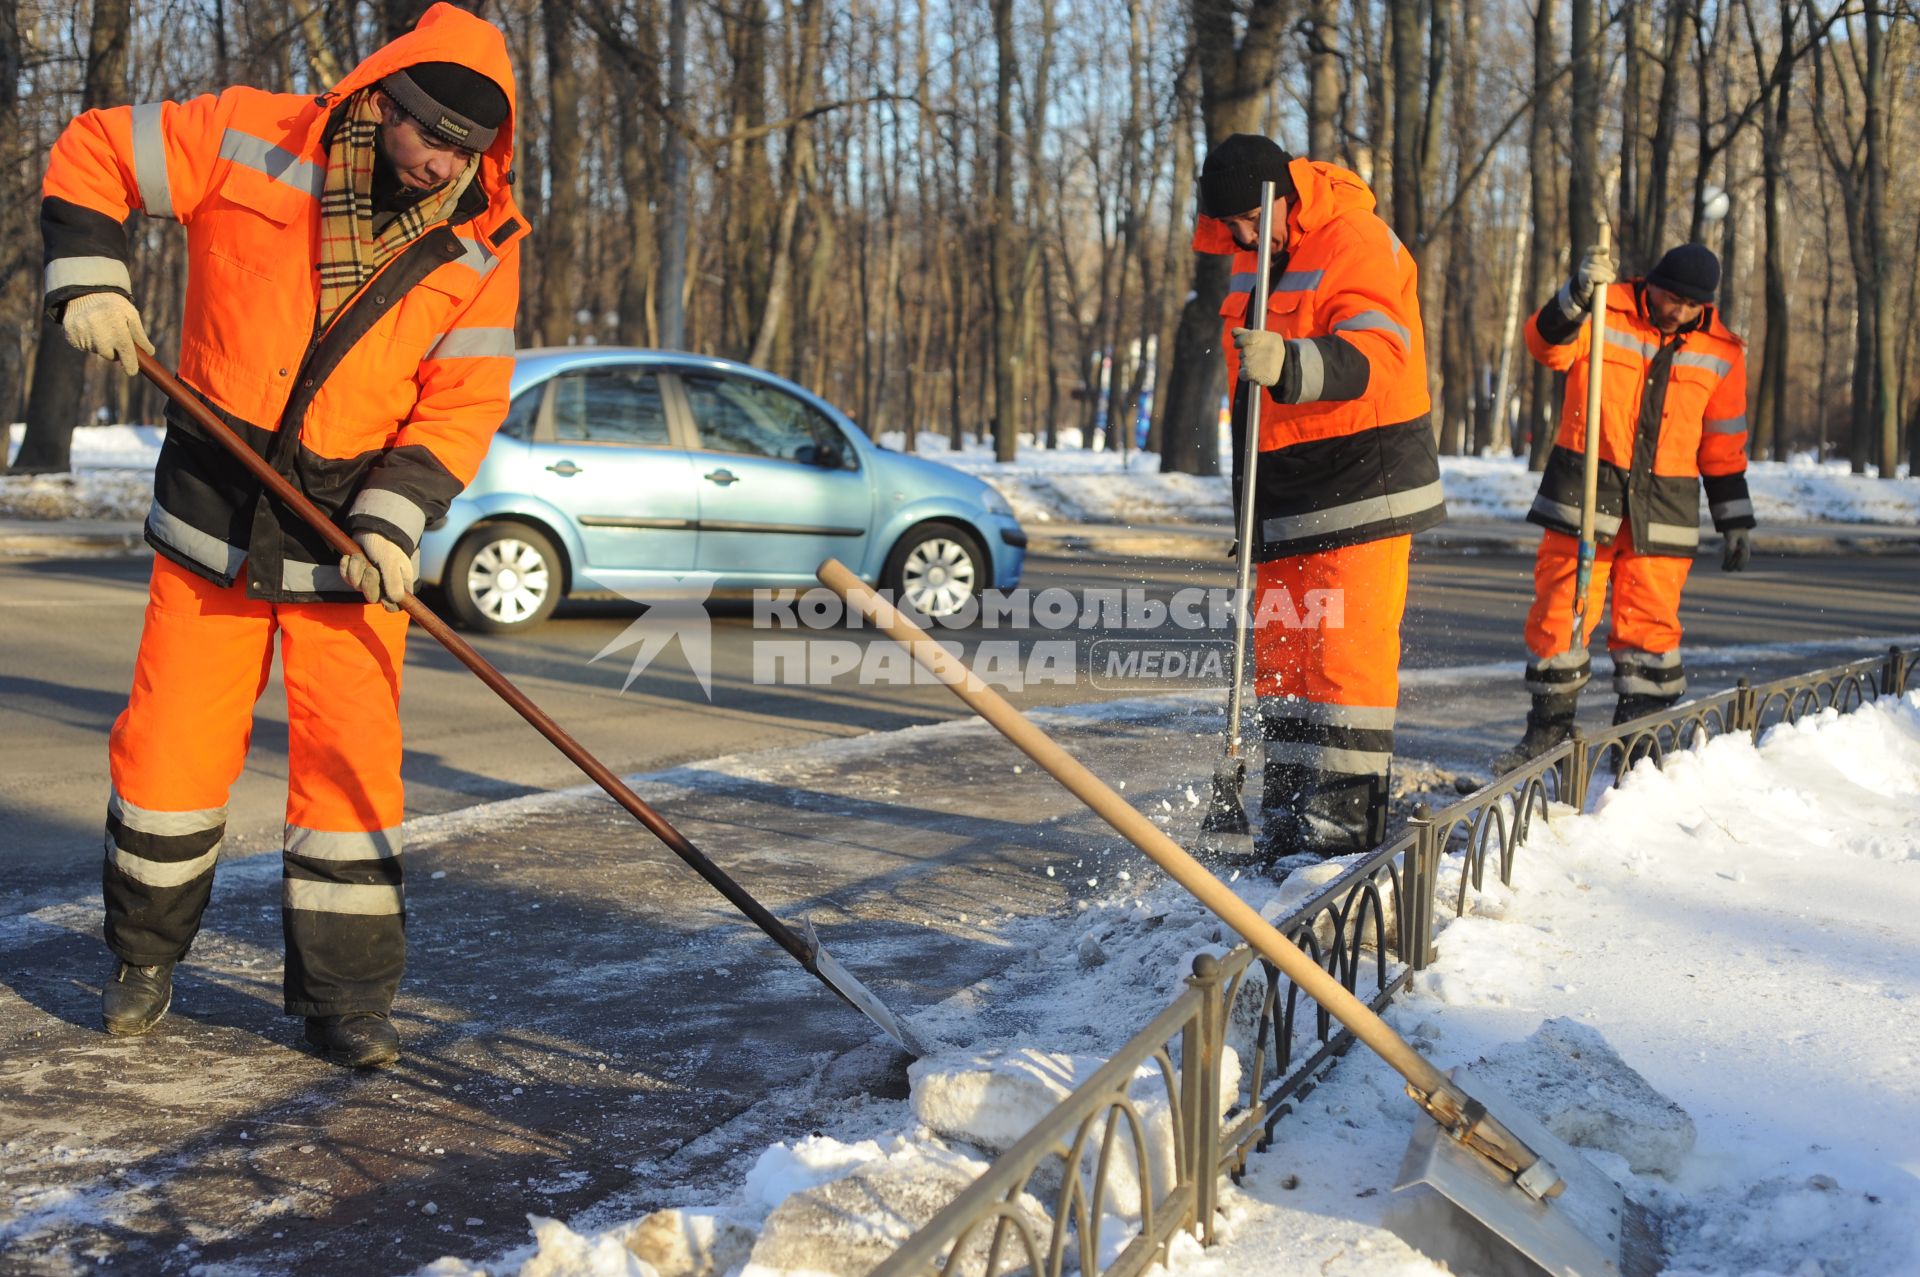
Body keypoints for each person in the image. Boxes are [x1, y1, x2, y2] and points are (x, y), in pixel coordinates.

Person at [42, 3, 526, 1067]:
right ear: (382, 102)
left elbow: (461, 398)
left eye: (467, 148)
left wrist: (396, 518)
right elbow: (95, 150)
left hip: (347, 536)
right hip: (217, 505)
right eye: (430, 133)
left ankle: (345, 1001)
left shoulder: (481, 243)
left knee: (353, 777)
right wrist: (89, 268)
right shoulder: (250, 135)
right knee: (170, 750)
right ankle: (144, 957)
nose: (444, 160)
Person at [1196, 135, 1444, 870]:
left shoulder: (1356, 239)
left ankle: (1339, 844)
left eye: (1249, 218)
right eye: (1232, 226)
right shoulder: (1257, 254)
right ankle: (1288, 823)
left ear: (1281, 194)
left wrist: (1290, 363)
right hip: (1284, 495)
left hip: (1359, 485)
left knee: (1343, 667)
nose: (1242, 236)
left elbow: (1379, 352)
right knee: (1284, 663)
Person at [1492, 242, 1753, 772]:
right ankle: (1549, 732)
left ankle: (1638, 740)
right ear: (1650, 281)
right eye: (1668, 296)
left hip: (1665, 507)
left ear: (1705, 304)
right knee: (1561, 612)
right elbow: (1545, 345)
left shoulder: (1724, 351)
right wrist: (1577, 293)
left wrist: (1734, 519)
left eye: (1689, 304)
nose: (1676, 309)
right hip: (1586, 493)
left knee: (1651, 627)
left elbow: (1722, 443)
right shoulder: (1604, 308)